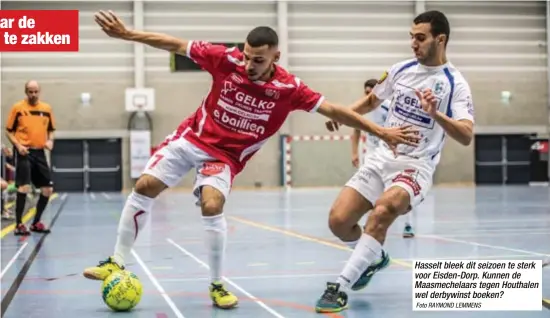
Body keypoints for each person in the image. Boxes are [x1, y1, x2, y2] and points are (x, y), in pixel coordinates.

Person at [84, 10, 420, 309]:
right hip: (193, 138)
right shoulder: (225, 59)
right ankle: (116, 260)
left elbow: (333, 109)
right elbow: (175, 44)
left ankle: (216, 284)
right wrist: (128, 34)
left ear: (276, 56)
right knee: (145, 185)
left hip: (226, 156)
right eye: (246, 57)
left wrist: (382, 130)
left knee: (212, 206)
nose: (249, 65)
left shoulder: (290, 88)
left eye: (258, 60)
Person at [316, 10, 474, 313]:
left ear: (440, 39)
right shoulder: (400, 69)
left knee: (383, 211)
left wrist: (436, 114)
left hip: (415, 166)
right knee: (339, 222)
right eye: (411, 37)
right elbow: (373, 100)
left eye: (420, 37)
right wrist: (345, 114)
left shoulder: (455, 84)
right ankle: (373, 258)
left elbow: (466, 135)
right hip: (380, 159)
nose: (413, 43)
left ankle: (340, 287)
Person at [351, 79, 415, 238]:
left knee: (401, 191)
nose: (367, 95)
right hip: (372, 155)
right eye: (365, 92)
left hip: (391, 155)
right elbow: (356, 131)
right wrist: (354, 153)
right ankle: (369, 223)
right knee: (367, 189)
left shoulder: (389, 106)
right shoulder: (363, 109)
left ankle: (408, 225)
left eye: (370, 92)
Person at [5, 80, 56, 235]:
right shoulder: (18, 108)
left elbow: (51, 129)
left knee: (47, 189)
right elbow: (8, 131)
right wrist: (18, 146)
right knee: (24, 187)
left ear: (39, 91)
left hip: (40, 152)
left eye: (35, 91)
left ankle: (35, 223)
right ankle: (19, 224)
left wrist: (50, 140)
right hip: (24, 152)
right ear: (26, 92)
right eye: (30, 91)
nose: (33, 94)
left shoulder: (46, 109)